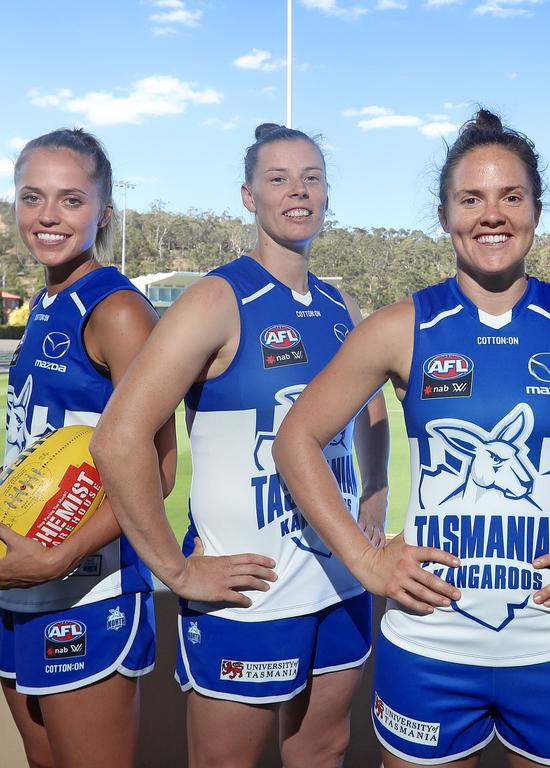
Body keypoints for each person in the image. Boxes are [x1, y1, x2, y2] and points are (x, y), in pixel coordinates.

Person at [273, 109, 550, 768]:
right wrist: (366, 563)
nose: (491, 214)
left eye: (511, 196)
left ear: (536, 208)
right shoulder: (401, 327)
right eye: (470, 199)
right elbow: (296, 439)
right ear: (445, 214)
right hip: (430, 645)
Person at [91, 123, 390, 768]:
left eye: (311, 178)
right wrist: (174, 568)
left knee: (324, 747)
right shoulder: (216, 298)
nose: (298, 192)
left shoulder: (342, 304)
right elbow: (118, 437)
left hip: (340, 577)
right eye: (278, 179)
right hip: (248, 591)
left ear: (328, 194)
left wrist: (376, 492)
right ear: (249, 196)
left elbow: (372, 409)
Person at [0, 128, 176, 768]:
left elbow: (158, 472)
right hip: (18, 580)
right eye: (32, 197)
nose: (48, 216)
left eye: (71, 200)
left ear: (104, 213)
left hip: (86, 587)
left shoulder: (118, 309)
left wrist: (55, 560)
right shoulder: (47, 302)